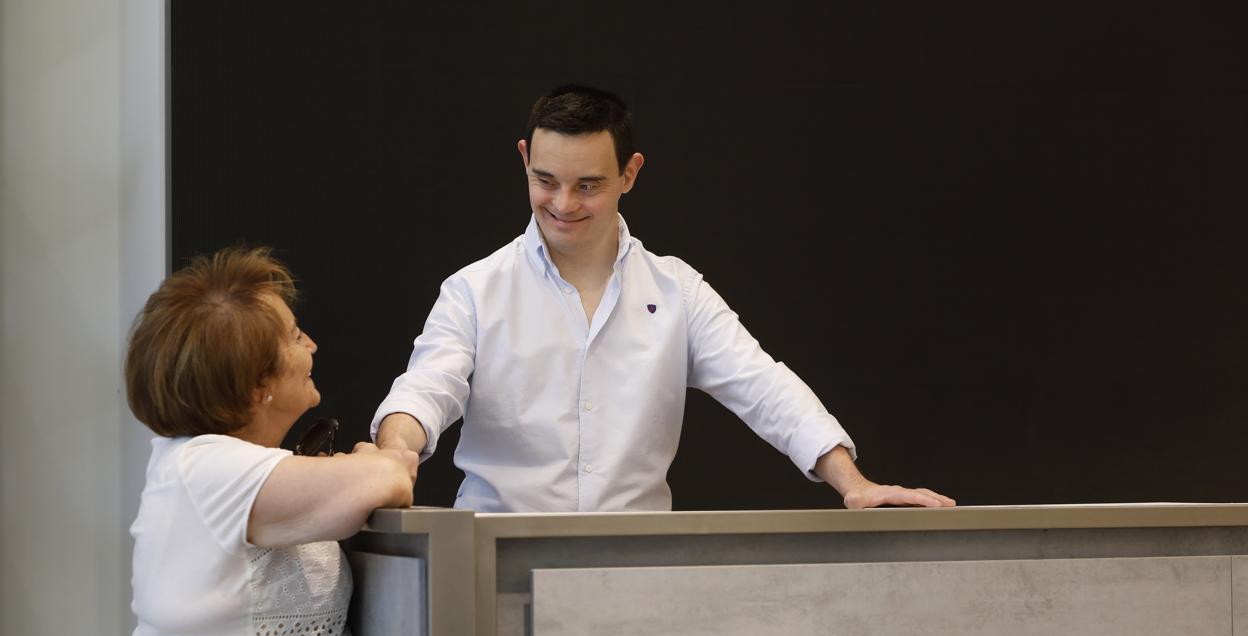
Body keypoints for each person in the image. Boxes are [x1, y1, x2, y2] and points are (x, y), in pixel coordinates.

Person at [373, 84, 954, 513]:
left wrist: (854, 484)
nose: (563, 203)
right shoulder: (475, 290)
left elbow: (764, 386)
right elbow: (426, 389)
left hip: (637, 571)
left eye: (589, 185)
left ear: (630, 173)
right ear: (524, 157)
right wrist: (397, 452)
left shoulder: (678, 291)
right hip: (492, 567)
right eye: (545, 180)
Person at [123, 247, 419, 636]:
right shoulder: (205, 467)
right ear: (257, 384)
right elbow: (389, 480)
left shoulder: (225, 466)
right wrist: (378, 461)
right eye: (297, 337)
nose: (312, 346)